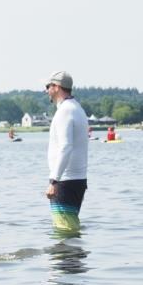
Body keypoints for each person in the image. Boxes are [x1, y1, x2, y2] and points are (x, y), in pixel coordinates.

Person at [44, 71, 89, 233]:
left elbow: (66, 146)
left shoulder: (65, 111)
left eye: (48, 87)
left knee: (64, 231)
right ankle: (73, 257)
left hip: (65, 181)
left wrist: (53, 181)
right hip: (76, 180)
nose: (46, 91)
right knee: (70, 229)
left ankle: (66, 258)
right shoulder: (76, 108)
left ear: (56, 87)